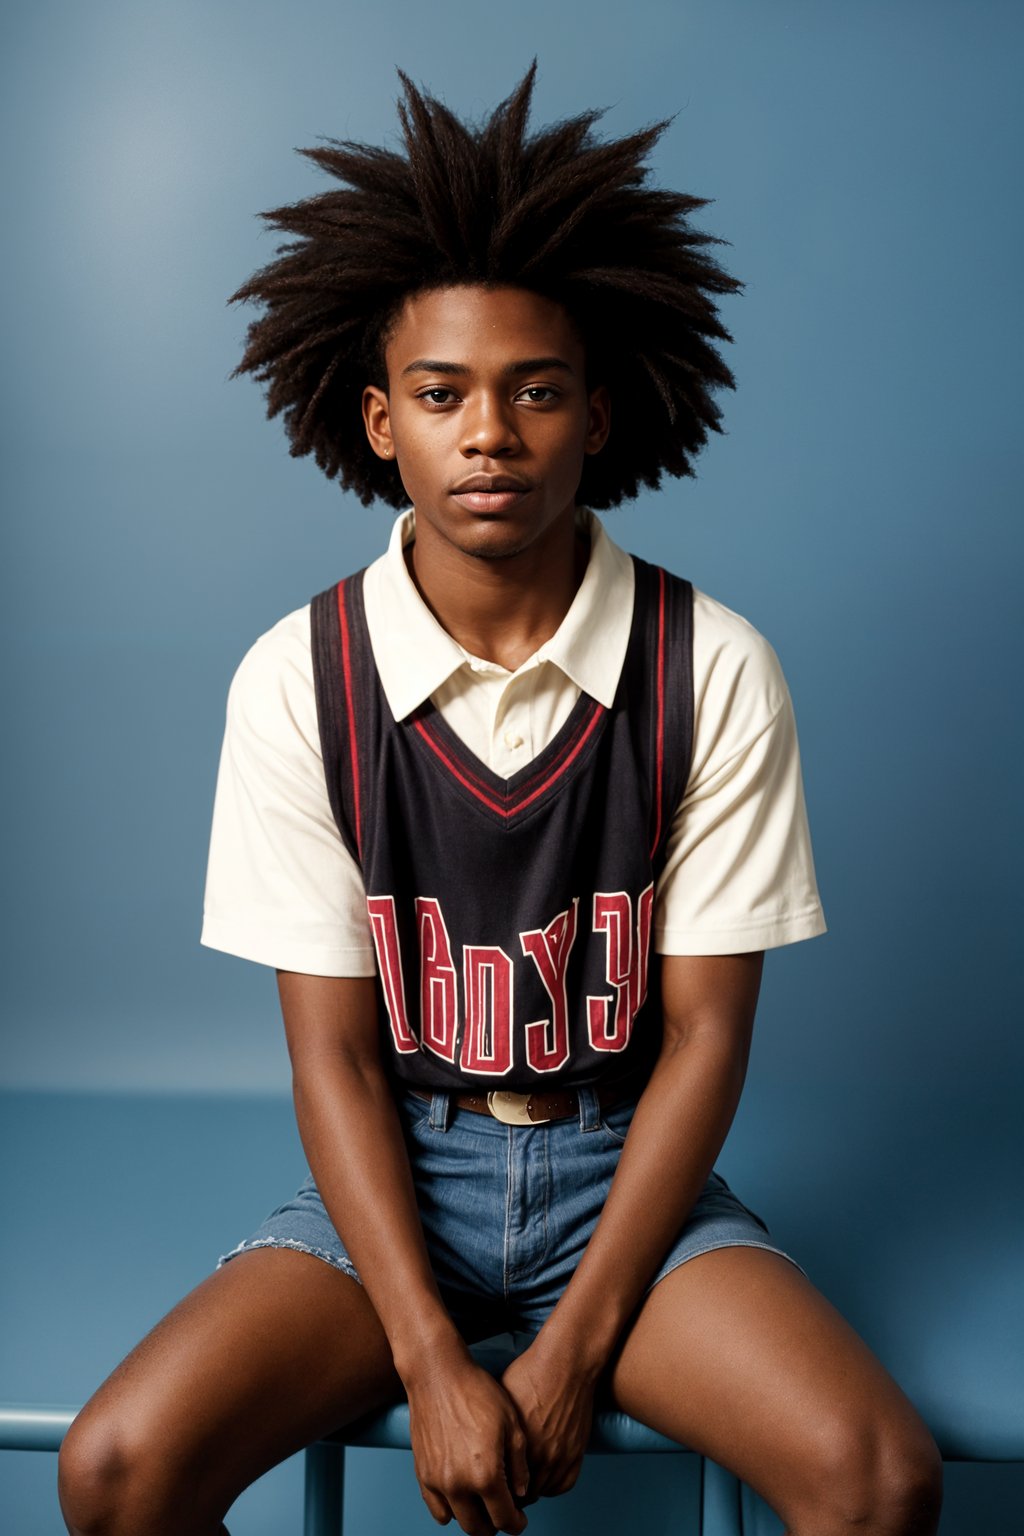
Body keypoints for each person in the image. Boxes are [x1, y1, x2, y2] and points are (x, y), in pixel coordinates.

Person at [57, 61, 943, 1536]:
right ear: (376, 421)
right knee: (116, 1471)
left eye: (536, 391)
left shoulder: (708, 665)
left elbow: (711, 1033)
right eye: (443, 394)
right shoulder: (303, 677)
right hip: (401, 1170)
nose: (491, 433)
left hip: (624, 1174)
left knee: (878, 1477)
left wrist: (576, 1346)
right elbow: (335, 1059)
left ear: (601, 416)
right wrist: (428, 1352)